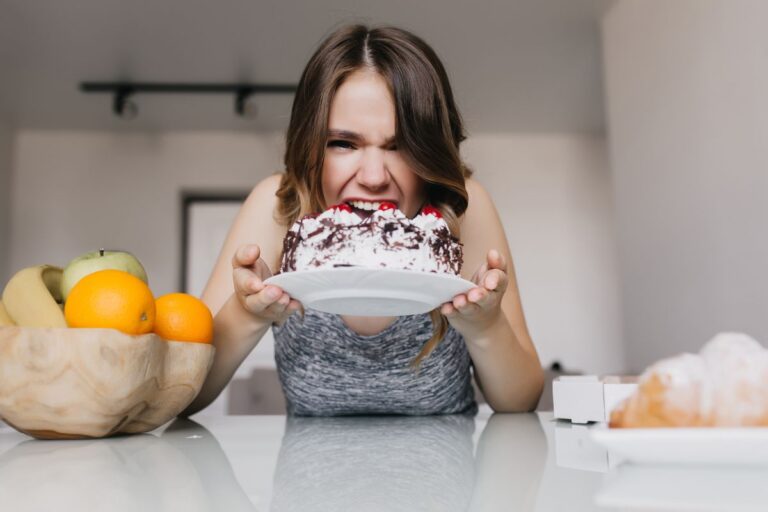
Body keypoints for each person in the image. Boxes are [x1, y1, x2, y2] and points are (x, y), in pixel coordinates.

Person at [182, 25, 543, 417]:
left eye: (400, 146)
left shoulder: (463, 211)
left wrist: (487, 327)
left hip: (450, 476)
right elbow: (187, 395)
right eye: (343, 144)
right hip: (309, 475)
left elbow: (522, 401)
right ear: (310, 146)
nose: (373, 177)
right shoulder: (279, 207)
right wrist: (248, 313)